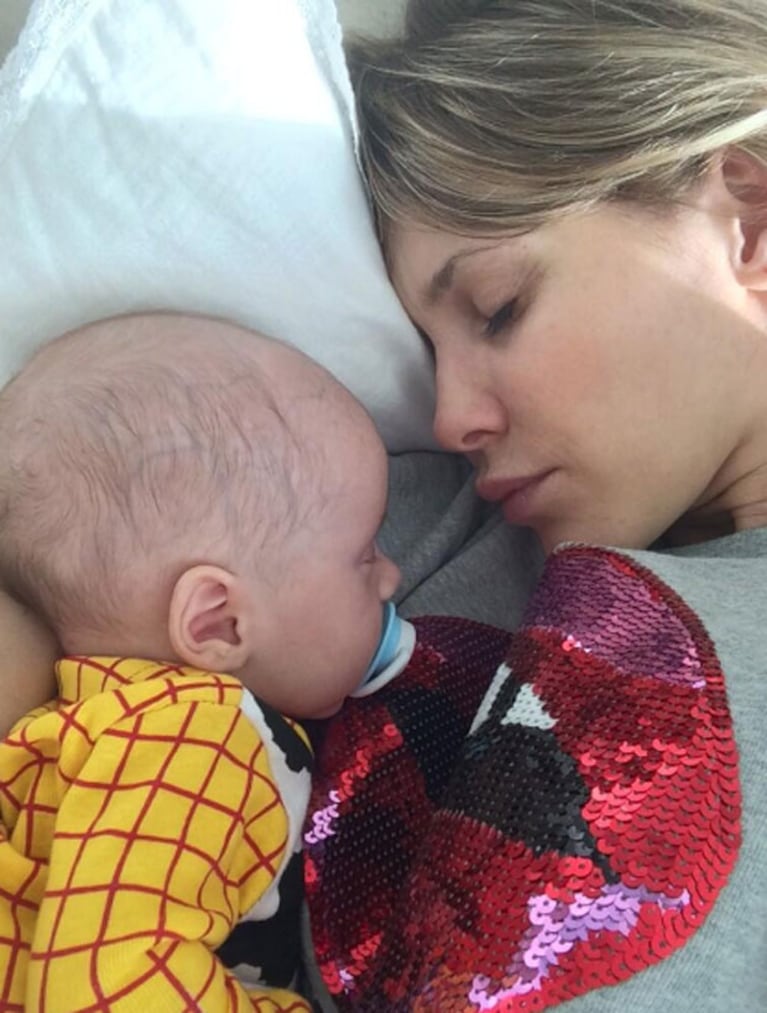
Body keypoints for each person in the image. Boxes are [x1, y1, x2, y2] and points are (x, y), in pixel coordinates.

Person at [297, 2, 767, 1011]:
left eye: (499, 308)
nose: (454, 413)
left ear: (748, 221)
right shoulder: (377, 531)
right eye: (426, 355)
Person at [0, 311, 411, 1011]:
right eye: (363, 554)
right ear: (218, 621)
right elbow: (109, 988)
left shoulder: (117, 727)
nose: (392, 578)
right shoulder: (195, 738)